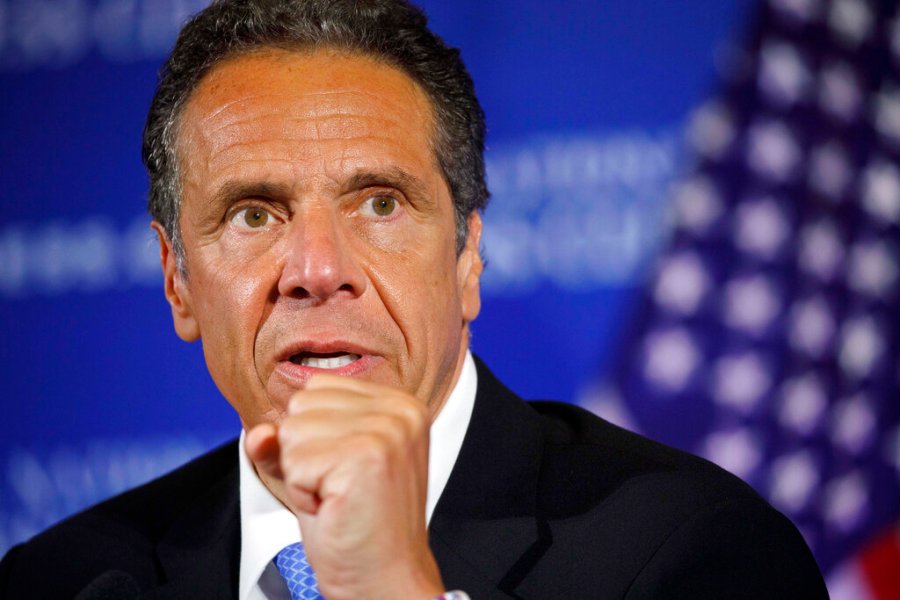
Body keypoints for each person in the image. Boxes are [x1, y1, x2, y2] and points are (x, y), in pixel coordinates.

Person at [0, 1, 828, 598]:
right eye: (254, 214)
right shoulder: (63, 580)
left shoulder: (692, 554)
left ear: (468, 255)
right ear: (177, 277)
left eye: (380, 203)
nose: (318, 270)